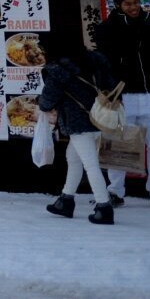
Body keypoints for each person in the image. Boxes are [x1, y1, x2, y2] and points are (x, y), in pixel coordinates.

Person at [94, 0, 150, 208]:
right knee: (118, 145)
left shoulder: (149, 21)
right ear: (118, 5)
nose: (134, 7)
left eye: (136, 2)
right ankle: (115, 192)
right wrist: (108, 92)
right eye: (128, 4)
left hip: (149, 95)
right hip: (123, 97)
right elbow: (103, 64)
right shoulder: (107, 28)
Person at [37, 32, 116, 224]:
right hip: (101, 118)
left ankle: (104, 207)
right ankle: (66, 200)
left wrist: (41, 103)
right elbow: (110, 86)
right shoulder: (96, 60)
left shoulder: (57, 69)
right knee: (73, 159)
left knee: (90, 164)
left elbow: (47, 101)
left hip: (77, 123)